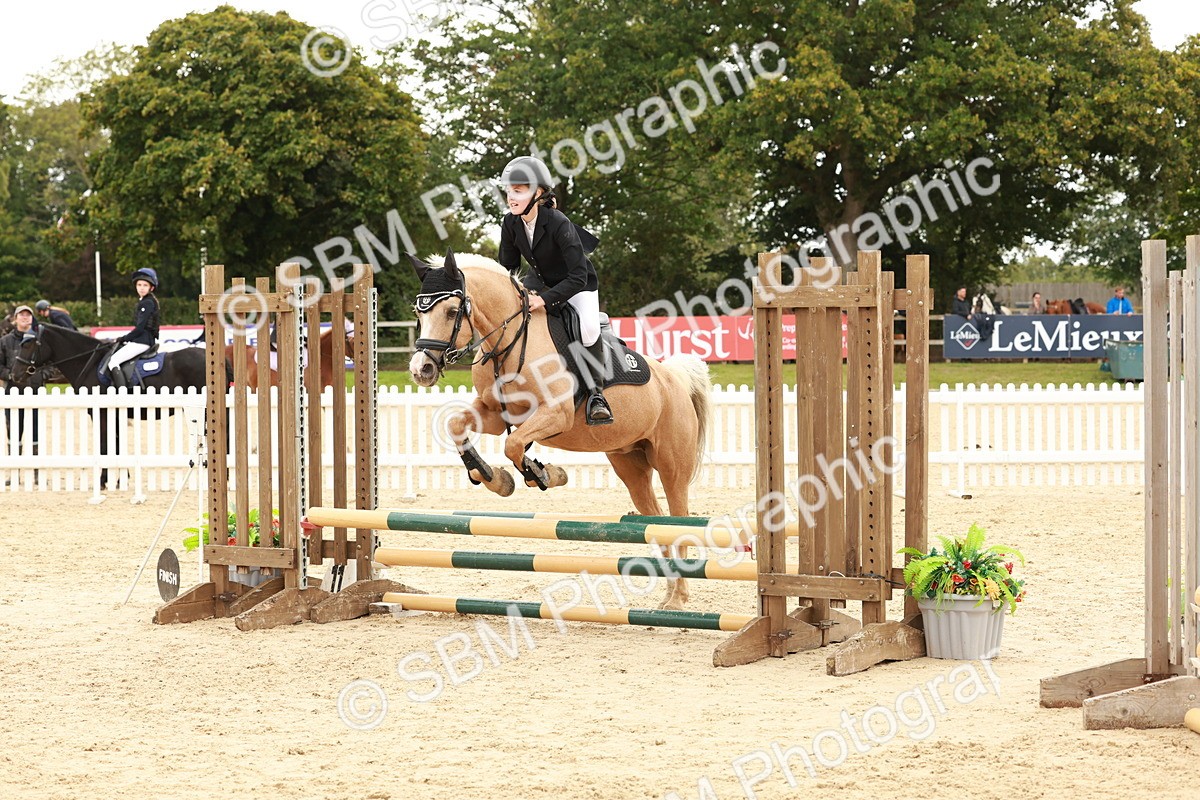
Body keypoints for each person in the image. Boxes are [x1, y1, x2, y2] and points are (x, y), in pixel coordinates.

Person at [496, 155, 612, 425]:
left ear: (538, 193)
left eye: (519, 190)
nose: (511, 197)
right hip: (540, 280)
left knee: (589, 328)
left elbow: (578, 276)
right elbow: (508, 268)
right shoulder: (510, 223)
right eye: (509, 191)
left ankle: (596, 395)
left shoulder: (559, 223)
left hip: (578, 284)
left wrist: (544, 301)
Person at [0, 305, 43, 458]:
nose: (25, 318)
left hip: (35, 391)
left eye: (28, 315)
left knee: (36, 432)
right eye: (22, 315)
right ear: (15, 319)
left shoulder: (39, 341)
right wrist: (10, 375)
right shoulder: (5, 341)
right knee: (13, 431)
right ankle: (14, 469)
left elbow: (50, 365)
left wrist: (41, 376)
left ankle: (37, 470)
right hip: (13, 391)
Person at [107, 268, 161, 389]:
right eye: (139, 285)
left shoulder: (147, 303)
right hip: (143, 340)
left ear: (151, 288)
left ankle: (123, 394)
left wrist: (123, 338)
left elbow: (140, 328)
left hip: (143, 341)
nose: (141, 288)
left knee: (113, 361)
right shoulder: (146, 301)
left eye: (145, 285)